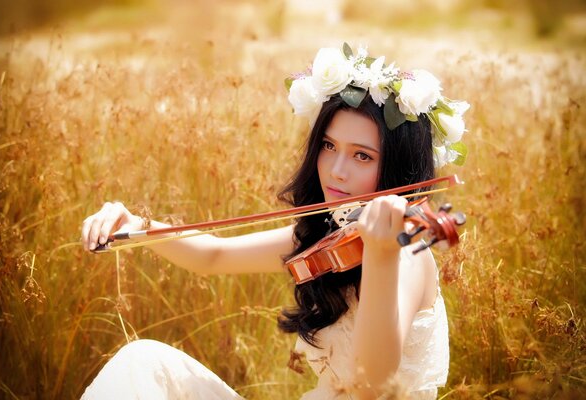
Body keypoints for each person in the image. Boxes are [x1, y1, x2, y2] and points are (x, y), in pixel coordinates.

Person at [80, 44, 469, 399]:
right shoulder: (331, 238)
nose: (335, 171)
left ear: (398, 172)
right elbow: (213, 256)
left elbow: (371, 389)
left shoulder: (407, 258)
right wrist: (136, 224)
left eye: (362, 156)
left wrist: (383, 255)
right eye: (329, 147)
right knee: (145, 361)